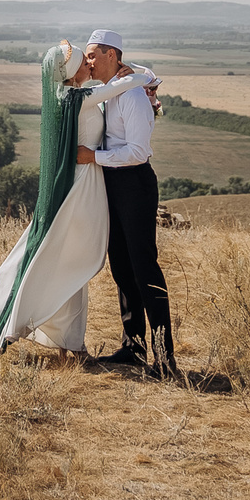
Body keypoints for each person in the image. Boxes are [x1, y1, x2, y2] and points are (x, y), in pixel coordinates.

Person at [0, 39, 159, 360]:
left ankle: (69, 343)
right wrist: (138, 73)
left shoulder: (69, 96)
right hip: (82, 187)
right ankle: (60, 337)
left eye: (90, 59)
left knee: (71, 261)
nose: (89, 65)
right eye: (82, 61)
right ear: (69, 71)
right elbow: (133, 83)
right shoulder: (79, 97)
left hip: (86, 183)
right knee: (74, 261)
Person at [83, 28, 175, 376]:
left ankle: (165, 358)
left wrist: (93, 158)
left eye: (93, 55)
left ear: (112, 55)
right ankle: (133, 348)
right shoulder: (109, 90)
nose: (88, 62)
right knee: (121, 266)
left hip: (134, 185)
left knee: (144, 267)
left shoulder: (133, 95)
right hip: (111, 184)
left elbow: (138, 152)